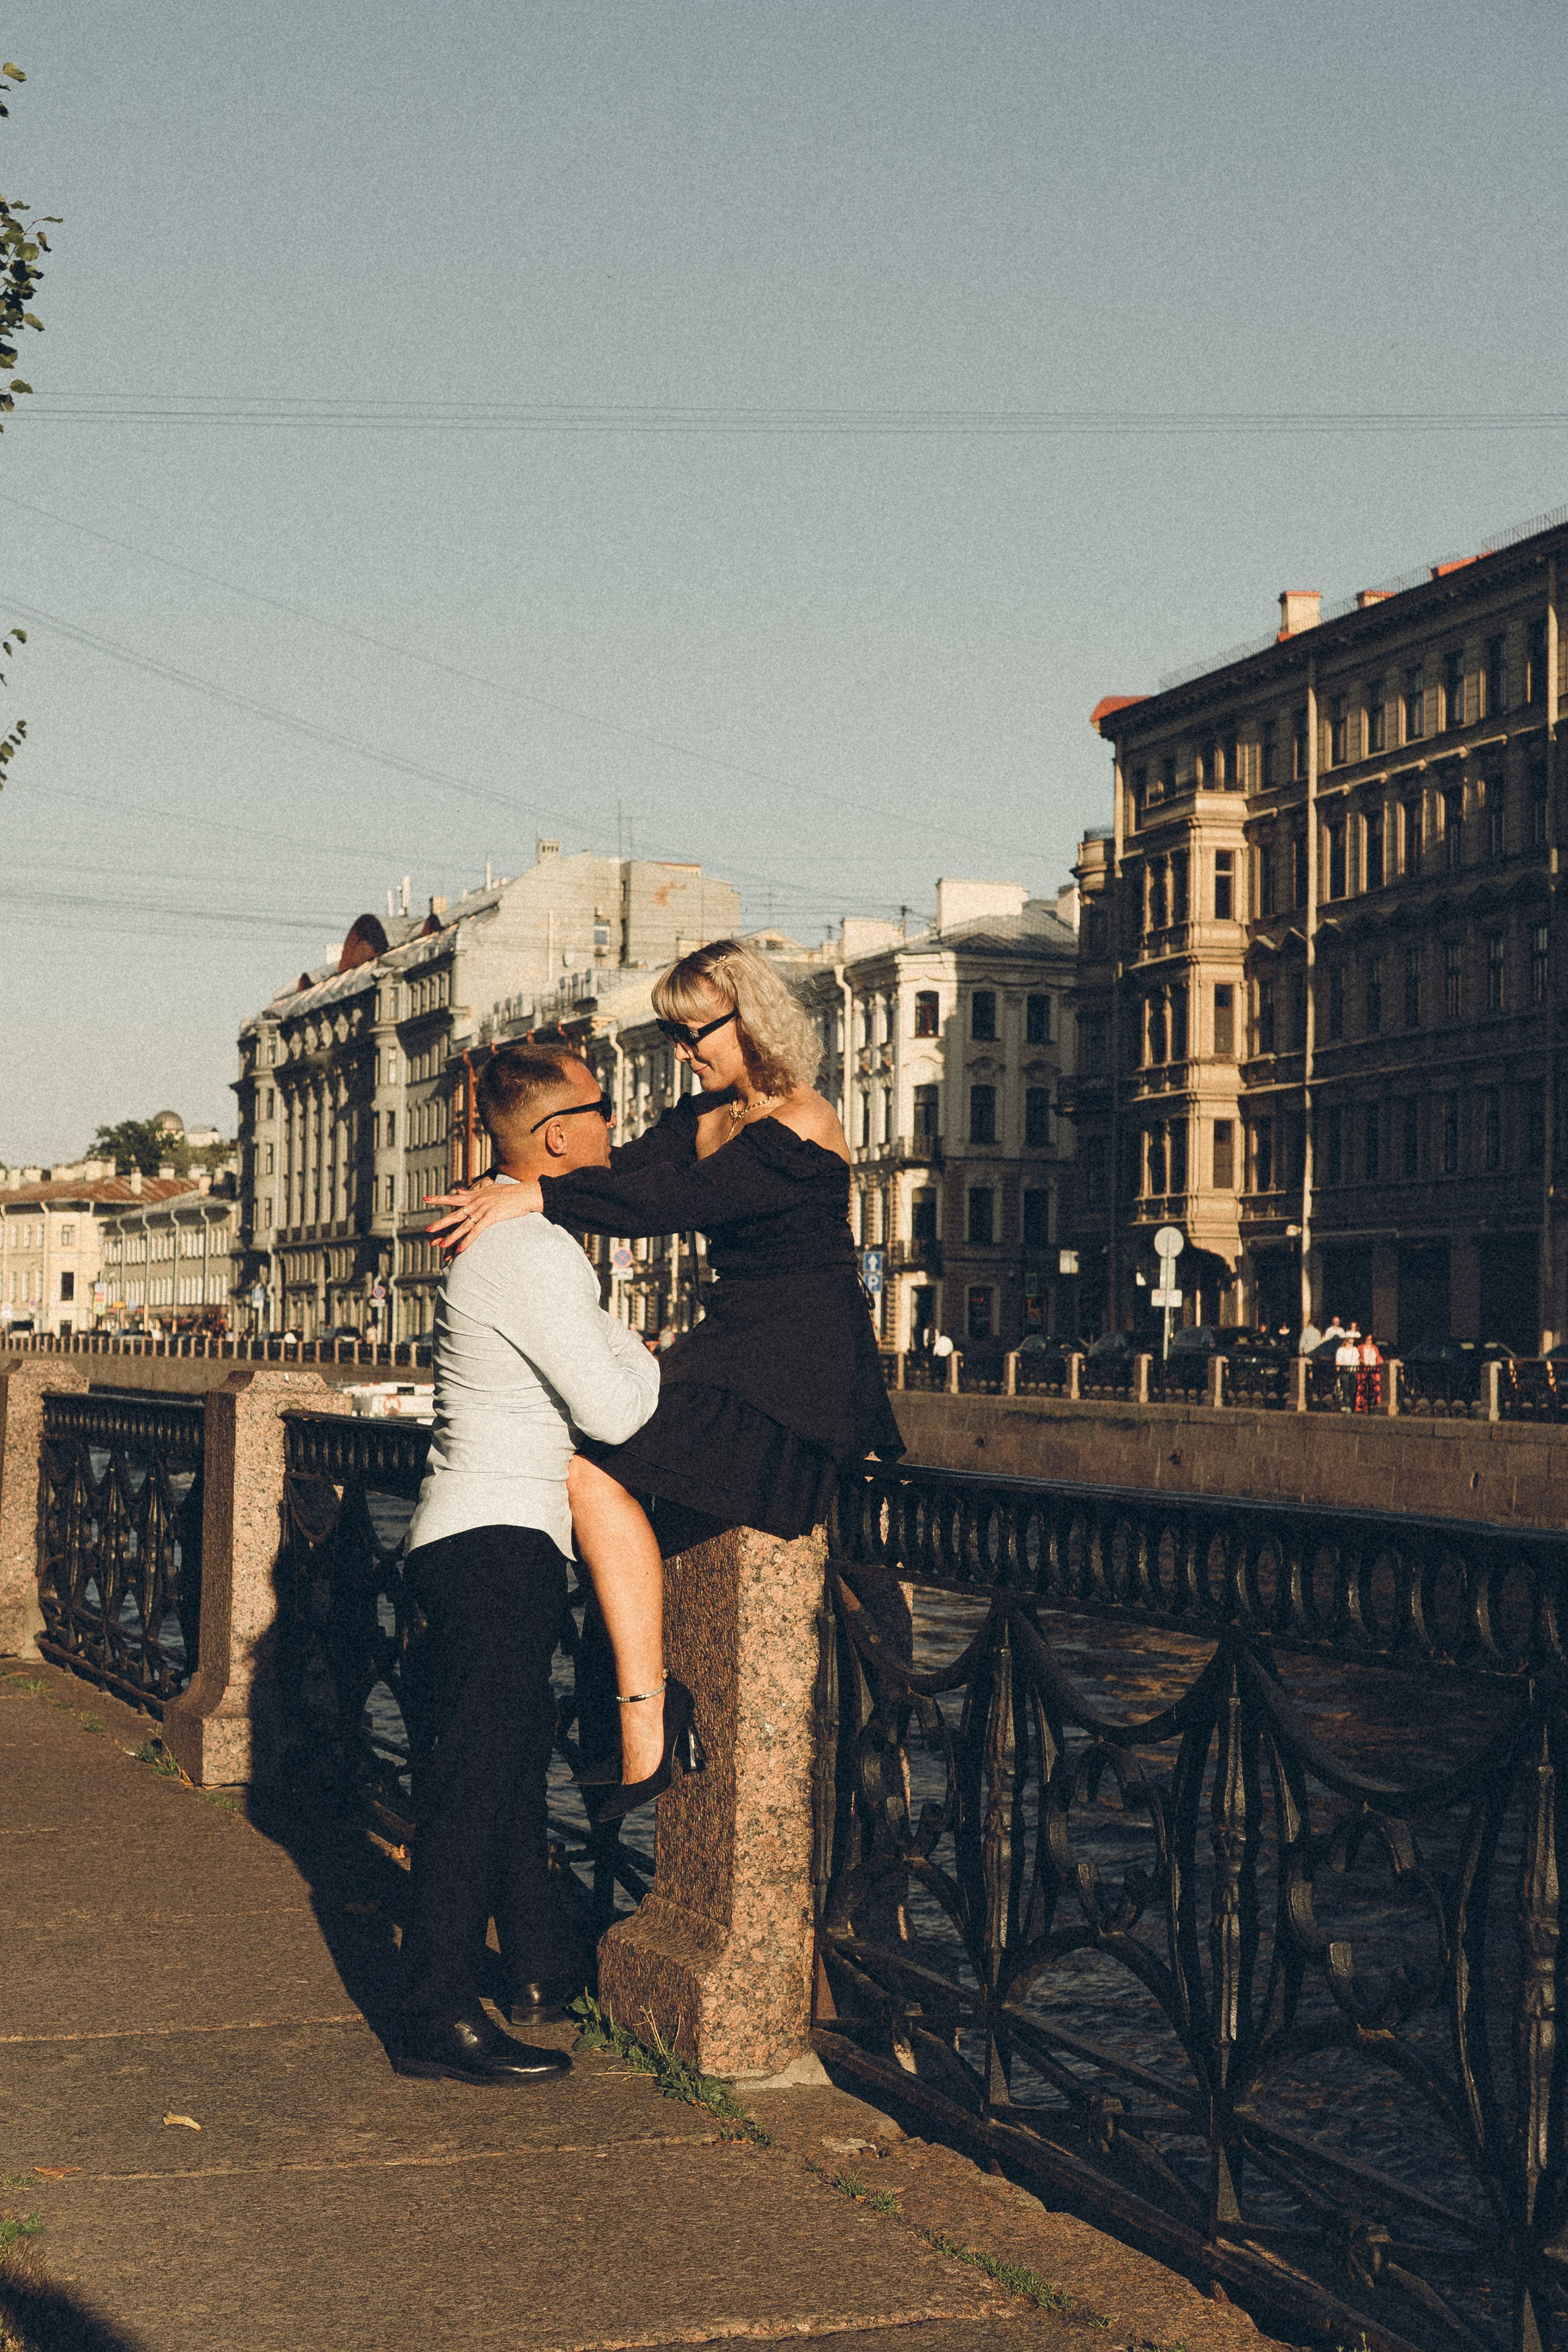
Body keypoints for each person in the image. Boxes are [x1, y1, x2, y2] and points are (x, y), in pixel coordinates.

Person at [426, 938, 904, 1815]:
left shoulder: (800, 1121)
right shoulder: (699, 1118)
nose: (684, 1055)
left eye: (694, 1035)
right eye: (673, 1037)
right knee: (593, 1462)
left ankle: (642, 1729)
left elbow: (668, 1207)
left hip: (800, 1375)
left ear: (748, 1018)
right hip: (730, 1352)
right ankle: (635, 1719)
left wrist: (536, 1198)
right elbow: (613, 1173)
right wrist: (511, 1183)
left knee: (597, 1467)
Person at [396, 1046, 662, 2086]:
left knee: (505, 1773)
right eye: (605, 1112)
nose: (615, 1132)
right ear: (559, 1134)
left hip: (470, 1537)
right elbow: (616, 1409)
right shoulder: (537, 1253)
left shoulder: (508, 1240)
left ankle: (542, 1968)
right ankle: (434, 2012)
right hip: (501, 1542)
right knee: (475, 1783)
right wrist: (639, 1346)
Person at [1335, 1321, 1362, 1412]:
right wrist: (1339, 1369)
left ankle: (1351, 1405)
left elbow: (1357, 1360)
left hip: (1353, 1371)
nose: (1352, 1342)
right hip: (1344, 1372)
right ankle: (1347, 1405)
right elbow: (1338, 1361)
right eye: (1350, 1340)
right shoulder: (1341, 1350)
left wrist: (1357, 1368)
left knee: (1352, 1389)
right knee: (1345, 1389)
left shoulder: (1355, 1350)